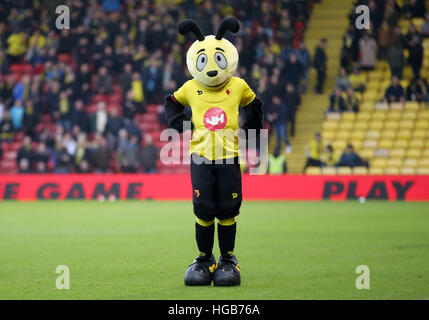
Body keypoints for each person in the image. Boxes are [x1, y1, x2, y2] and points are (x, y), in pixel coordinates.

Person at [165, 19, 263, 287]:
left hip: (229, 159)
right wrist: (180, 125)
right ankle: (205, 259)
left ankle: (228, 259)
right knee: (204, 209)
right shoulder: (189, 88)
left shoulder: (239, 85)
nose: (210, 68)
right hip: (201, 159)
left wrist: (252, 130)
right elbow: (171, 103)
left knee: (228, 209)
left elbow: (254, 104)